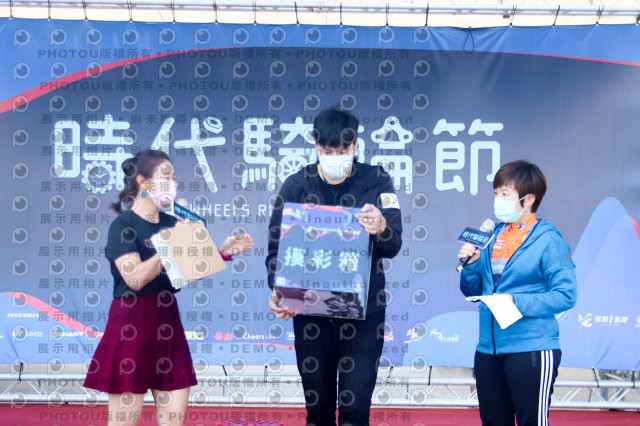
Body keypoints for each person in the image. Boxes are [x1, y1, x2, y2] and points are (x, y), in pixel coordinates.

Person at [83, 149, 253, 426]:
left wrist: (220, 252)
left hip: (167, 322)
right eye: (165, 177)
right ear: (143, 182)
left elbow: (190, 272)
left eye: (173, 178)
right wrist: (167, 246)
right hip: (131, 324)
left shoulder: (173, 222)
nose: (172, 183)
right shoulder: (123, 225)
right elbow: (135, 279)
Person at [265, 107, 403, 426]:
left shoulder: (377, 181)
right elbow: (276, 251)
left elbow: (393, 244)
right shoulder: (296, 186)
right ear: (316, 146)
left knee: (355, 410)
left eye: (342, 150)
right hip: (311, 313)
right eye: (328, 151)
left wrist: (381, 226)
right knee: (318, 411)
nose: (335, 157)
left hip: (363, 314)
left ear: (355, 146)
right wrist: (280, 291)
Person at [458, 160, 578, 426]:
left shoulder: (548, 239)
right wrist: (471, 266)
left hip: (531, 348)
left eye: (505, 194)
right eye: (496, 193)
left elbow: (566, 295)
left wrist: (515, 301)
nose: (497, 201)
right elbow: (472, 290)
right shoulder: (491, 235)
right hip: (488, 350)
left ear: (528, 199)